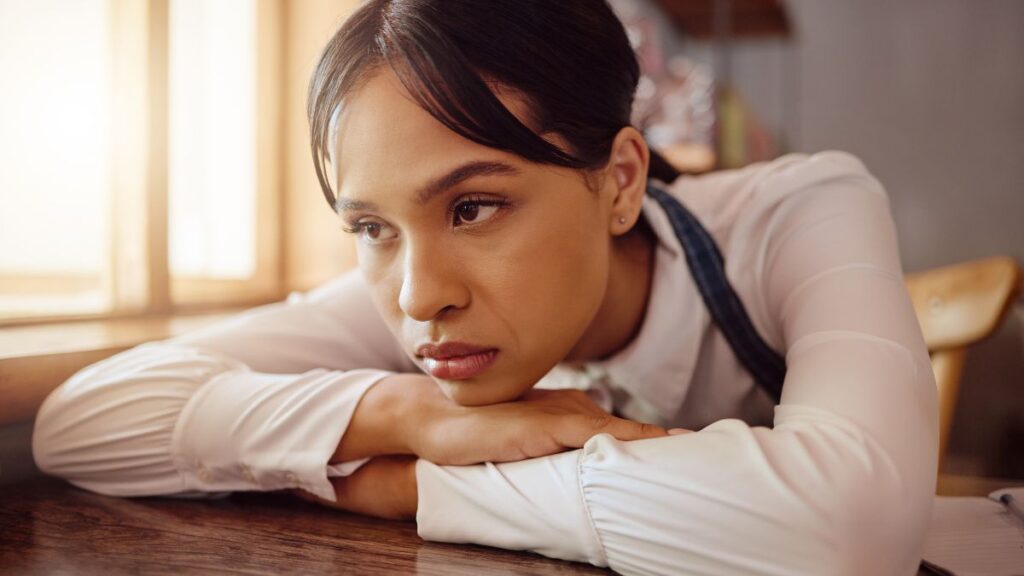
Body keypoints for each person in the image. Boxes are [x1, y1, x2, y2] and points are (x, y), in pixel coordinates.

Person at [31, 1, 938, 574]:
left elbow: (852, 528)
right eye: (369, 227)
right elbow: (83, 419)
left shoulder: (797, 212)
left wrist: (407, 488)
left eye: (472, 208)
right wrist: (406, 418)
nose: (420, 295)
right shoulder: (414, 300)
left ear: (620, 180)